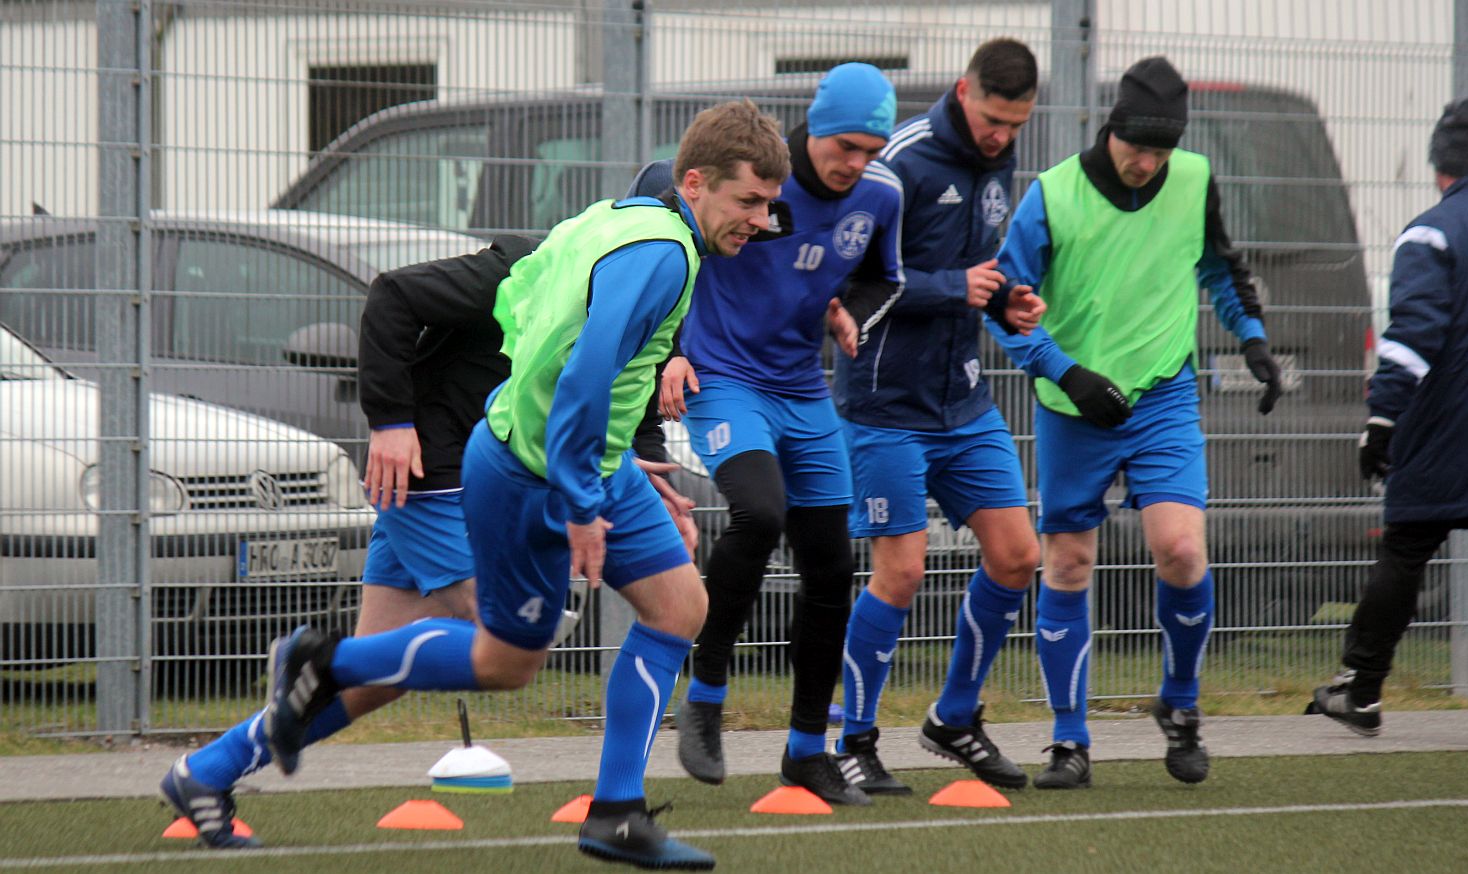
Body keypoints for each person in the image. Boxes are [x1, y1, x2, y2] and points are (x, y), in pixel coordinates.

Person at [256, 100, 790, 870]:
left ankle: (617, 814)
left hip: (583, 461)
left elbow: (533, 305)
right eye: (748, 202)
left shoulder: (622, 215)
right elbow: (583, 380)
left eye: (770, 205)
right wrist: (578, 501)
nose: (760, 220)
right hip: (534, 469)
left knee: (681, 606)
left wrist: (619, 457)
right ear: (696, 182)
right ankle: (325, 661)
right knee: (508, 661)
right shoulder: (663, 255)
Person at [157, 235, 699, 849]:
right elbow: (392, 295)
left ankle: (205, 772)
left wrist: (646, 465)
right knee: (508, 648)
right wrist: (389, 420)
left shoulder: (651, 282)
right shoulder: (526, 266)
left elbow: (621, 387)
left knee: (373, 682)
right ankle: (315, 656)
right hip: (436, 477)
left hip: (471, 479)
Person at [994, 56, 1282, 789]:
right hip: (1073, 406)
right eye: (1136, 148)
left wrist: (1250, 338)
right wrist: (1066, 373)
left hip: (1162, 397)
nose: (1147, 164)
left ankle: (1181, 707)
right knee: (1067, 564)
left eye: (1160, 151)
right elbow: (1003, 306)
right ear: (1110, 129)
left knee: (1182, 551)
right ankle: (1068, 741)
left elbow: (1220, 268)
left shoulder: (1192, 179)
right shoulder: (1052, 196)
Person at [645, 64, 906, 805]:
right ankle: (706, 691)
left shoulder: (882, 195)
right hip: (723, 375)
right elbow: (655, 203)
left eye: (871, 148)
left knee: (832, 567)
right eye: (847, 144)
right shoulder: (754, 173)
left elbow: (884, 278)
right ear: (816, 126)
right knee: (759, 512)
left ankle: (805, 751)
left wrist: (848, 310)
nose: (857, 162)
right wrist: (670, 347)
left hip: (802, 387)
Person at [830, 38, 1046, 795]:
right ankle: (853, 737)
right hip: (886, 404)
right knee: (900, 572)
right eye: (993, 119)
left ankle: (954, 717)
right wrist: (959, 286)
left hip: (964, 401)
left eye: (1015, 125)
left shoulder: (998, 164)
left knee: (1018, 555)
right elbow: (858, 280)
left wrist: (1009, 302)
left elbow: (980, 275)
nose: (1001, 137)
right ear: (963, 91)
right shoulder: (900, 161)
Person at [1309, 97, 1468, 744]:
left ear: (1439, 166)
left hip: (1447, 429)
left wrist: (1382, 421)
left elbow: (1415, 334)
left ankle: (1360, 691)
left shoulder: (1432, 233)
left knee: (1407, 549)